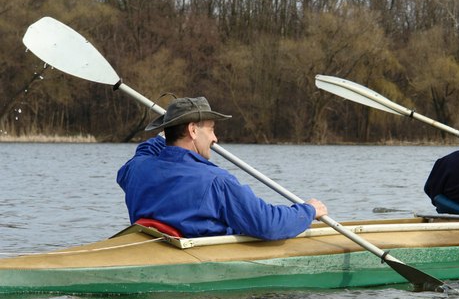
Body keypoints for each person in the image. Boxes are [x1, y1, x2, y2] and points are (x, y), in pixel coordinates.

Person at [117, 96, 327, 240]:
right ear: (192, 130)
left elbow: (145, 150)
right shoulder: (217, 181)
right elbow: (267, 224)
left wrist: (169, 132)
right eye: (211, 129)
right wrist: (307, 211)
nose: (215, 138)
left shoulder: (136, 169)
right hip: (197, 265)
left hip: (152, 246)